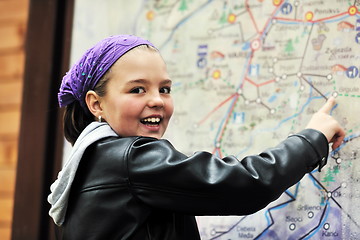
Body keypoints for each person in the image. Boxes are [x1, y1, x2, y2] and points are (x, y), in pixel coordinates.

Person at [48, 34, 345, 240]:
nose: (157, 100)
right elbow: (246, 184)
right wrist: (312, 138)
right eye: (137, 89)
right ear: (96, 104)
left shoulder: (88, 162)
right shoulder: (129, 159)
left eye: (164, 89)